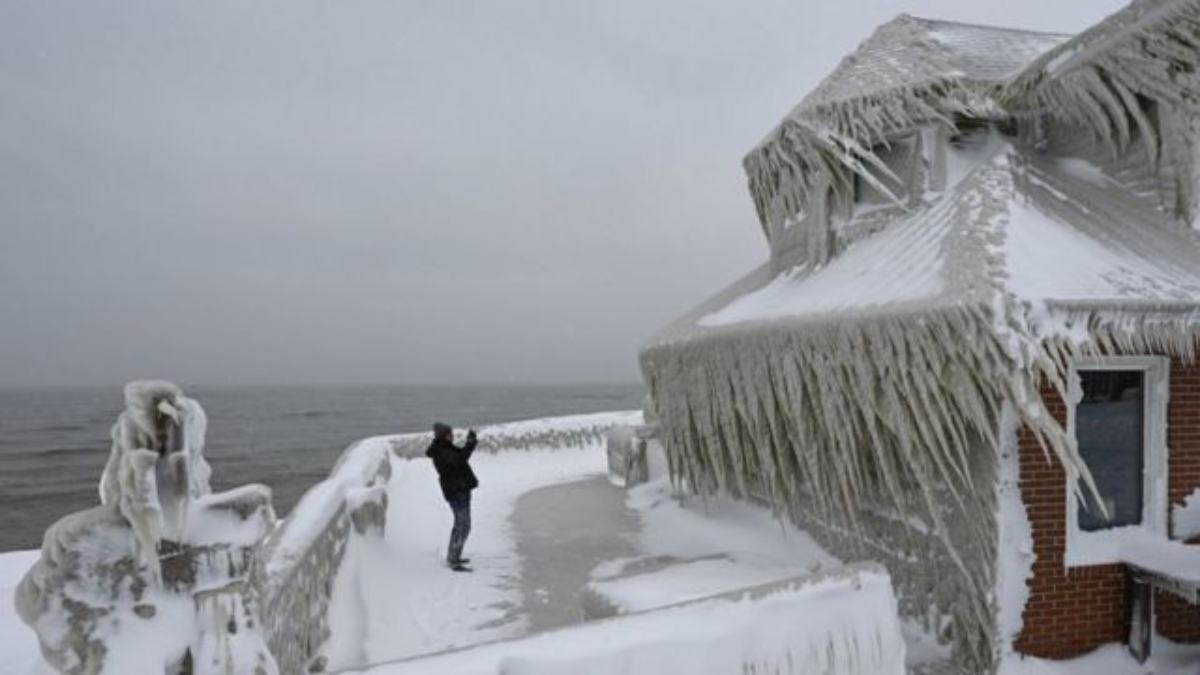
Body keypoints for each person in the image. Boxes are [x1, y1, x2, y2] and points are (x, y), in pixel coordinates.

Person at [426, 422, 478, 571]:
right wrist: (470, 444)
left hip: (459, 490)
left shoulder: (444, 447)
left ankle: (454, 556)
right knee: (463, 526)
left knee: (460, 525)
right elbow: (460, 459)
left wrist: (470, 444)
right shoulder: (441, 450)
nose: (453, 436)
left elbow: (460, 456)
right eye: (450, 434)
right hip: (456, 491)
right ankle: (453, 559)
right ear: (445, 436)